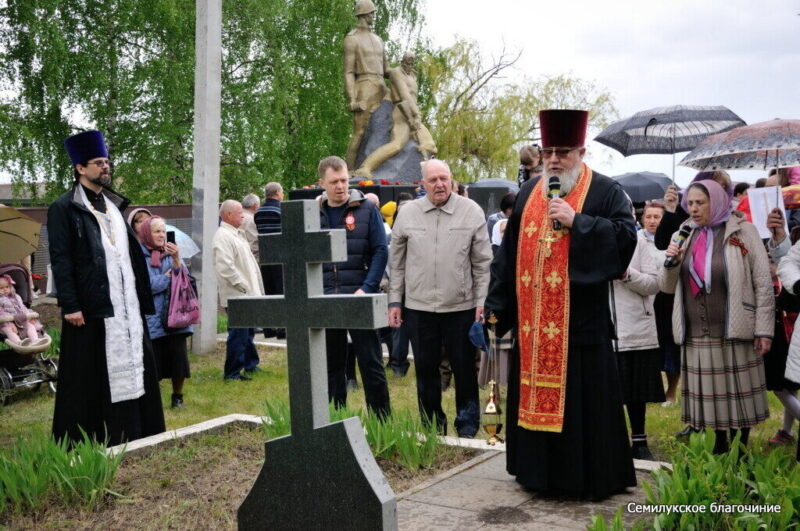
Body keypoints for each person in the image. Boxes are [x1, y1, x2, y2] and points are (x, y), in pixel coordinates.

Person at [485, 109, 637, 499]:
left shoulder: (605, 191)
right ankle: (537, 474)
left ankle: (584, 479)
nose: (554, 158)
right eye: (549, 150)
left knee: (583, 408)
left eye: (563, 151)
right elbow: (508, 255)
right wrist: (496, 304)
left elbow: (625, 241)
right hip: (534, 328)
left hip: (581, 329)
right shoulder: (527, 195)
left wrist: (578, 222)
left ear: (581, 152)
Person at [48, 130, 165, 446]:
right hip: (91, 307)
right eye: (98, 163)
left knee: (136, 366)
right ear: (80, 168)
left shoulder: (114, 207)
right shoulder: (64, 208)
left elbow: (129, 258)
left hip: (125, 308)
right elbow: (61, 259)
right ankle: (93, 438)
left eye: (107, 161)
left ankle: (138, 432)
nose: (105, 167)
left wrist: (141, 301)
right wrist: (70, 304)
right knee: (91, 376)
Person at [661, 179, 772, 454]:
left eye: (701, 203)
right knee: (710, 404)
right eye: (691, 203)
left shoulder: (743, 231)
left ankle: (740, 454)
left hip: (736, 329)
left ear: (718, 201)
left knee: (738, 402)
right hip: (698, 333)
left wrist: (764, 329)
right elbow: (665, 286)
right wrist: (672, 262)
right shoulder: (685, 232)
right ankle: (720, 452)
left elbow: (762, 282)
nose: (694, 209)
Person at [388, 159, 492, 437]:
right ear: (423, 184)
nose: (440, 184)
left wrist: (481, 301)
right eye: (433, 180)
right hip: (419, 308)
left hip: (461, 307)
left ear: (452, 180)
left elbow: (483, 263)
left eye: (444, 178)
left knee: (465, 370)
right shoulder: (408, 214)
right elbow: (396, 264)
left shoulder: (471, 212)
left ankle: (468, 425)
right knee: (425, 370)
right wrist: (394, 301)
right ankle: (432, 425)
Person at [317, 156, 390, 418]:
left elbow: (380, 251)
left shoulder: (367, 210)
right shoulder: (315, 214)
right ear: (322, 183)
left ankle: (382, 422)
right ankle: (335, 420)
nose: (340, 186)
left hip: (360, 296)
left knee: (370, 363)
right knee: (332, 365)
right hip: (328, 299)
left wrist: (368, 287)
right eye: (334, 181)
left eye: (344, 180)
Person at [612, 204, 664, 461]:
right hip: (605, 329)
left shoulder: (639, 244)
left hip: (635, 326)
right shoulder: (590, 242)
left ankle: (640, 439)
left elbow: (654, 284)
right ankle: (611, 440)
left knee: (636, 390)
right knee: (609, 391)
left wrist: (625, 273)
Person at [136, 216, 193, 409]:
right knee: (154, 363)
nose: (161, 235)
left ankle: (178, 397)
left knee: (178, 360)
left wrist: (176, 259)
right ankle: (154, 400)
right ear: (146, 234)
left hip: (175, 314)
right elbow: (145, 286)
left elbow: (185, 280)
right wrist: (167, 279)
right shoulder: (138, 256)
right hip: (152, 317)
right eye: (156, 231)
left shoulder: (172, 253)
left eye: (163, 231)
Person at [354, 52, 437, 178]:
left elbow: (413, 96)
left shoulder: (413, 75)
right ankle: (366, 167)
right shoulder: (396, 73)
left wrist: (416, 116)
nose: (409, 62)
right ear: (402, 60)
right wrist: (416, 115)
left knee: (430, 145)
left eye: (412, 60)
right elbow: (405, 95)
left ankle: (427, 173)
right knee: (397, 144)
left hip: (413, 113)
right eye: (407, 59)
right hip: (402, 112)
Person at [213, 200, 265, 380]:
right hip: (237, 295)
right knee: (239, 334)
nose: (243, 216)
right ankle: (232, 372)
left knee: (248, 332)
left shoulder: (237, 234)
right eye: (239, 213)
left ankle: (251, 364)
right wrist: (243, 287)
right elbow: (225, 267)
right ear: (228, 215)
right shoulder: (223, 236)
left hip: (245, 294)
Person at [343, 0, 389, 169]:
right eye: (371, 13)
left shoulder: (378, 39)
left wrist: (405, 77)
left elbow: (387, 70)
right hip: (365, 86)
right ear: (362, 14)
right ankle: (348, 171)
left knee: (395, 121)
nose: (373, 17)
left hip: (382, 86)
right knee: (360, 133)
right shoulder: (352, 39)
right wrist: (352, 99)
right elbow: (348, 72)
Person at [655, 170, 733, 252]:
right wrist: (670, 210)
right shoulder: (687, 214)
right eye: (712, 185)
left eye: (723, 187)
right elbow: (663, 244)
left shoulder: (733, 221)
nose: (719, 191)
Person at [254, 182, 285, 340]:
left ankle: (268, 328)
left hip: (265, 256)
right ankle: (281, 328)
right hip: (280, 255)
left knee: (268, 292)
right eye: (282, 192)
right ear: (278, 193)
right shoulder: (281, 210)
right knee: (281, 291)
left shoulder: (258, 212)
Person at [0, 275, 46, 347]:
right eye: (1, 288)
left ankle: (35, 340)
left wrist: (29, 316)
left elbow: (23, 308)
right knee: (8, 330)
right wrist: (9, 322)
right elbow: (1, 313)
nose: (5, 290)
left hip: (21, 320)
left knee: (30, 326)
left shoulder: (16, 297)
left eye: (7, 287)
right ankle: (19, 342)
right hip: (6, 322)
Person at [240, 193, 260, 261]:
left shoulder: (237, 216)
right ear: (255, 206)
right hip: (248, 261)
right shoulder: (251, 220)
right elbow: (253, 244)